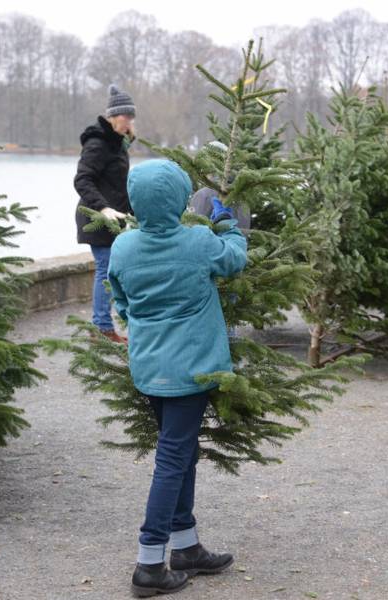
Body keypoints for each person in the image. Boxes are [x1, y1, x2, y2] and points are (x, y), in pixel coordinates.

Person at [107, 159, 248, 597]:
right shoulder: (198, 240)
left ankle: (186, 547)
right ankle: (149, 562)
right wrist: (227, 221)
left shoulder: (125, 247)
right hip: (192, 370)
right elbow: (236, 260)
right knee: (172, 460)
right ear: (178, 199)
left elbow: (120, 297)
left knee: (180, 454)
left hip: (150, 368)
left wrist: (135, 320)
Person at [74, 84, 136, 344]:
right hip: (97, 219)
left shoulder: (115, 144)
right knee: (106, 271)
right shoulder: (98, 143)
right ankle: (101, 327)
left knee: (113, 271)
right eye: (126, 117)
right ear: (113, 116)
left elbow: (117, 180)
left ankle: (105, 325)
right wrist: (103, 208)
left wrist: (129, 138)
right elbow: (82, 180)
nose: (130, 122)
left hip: (117, 221)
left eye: (132, 117)